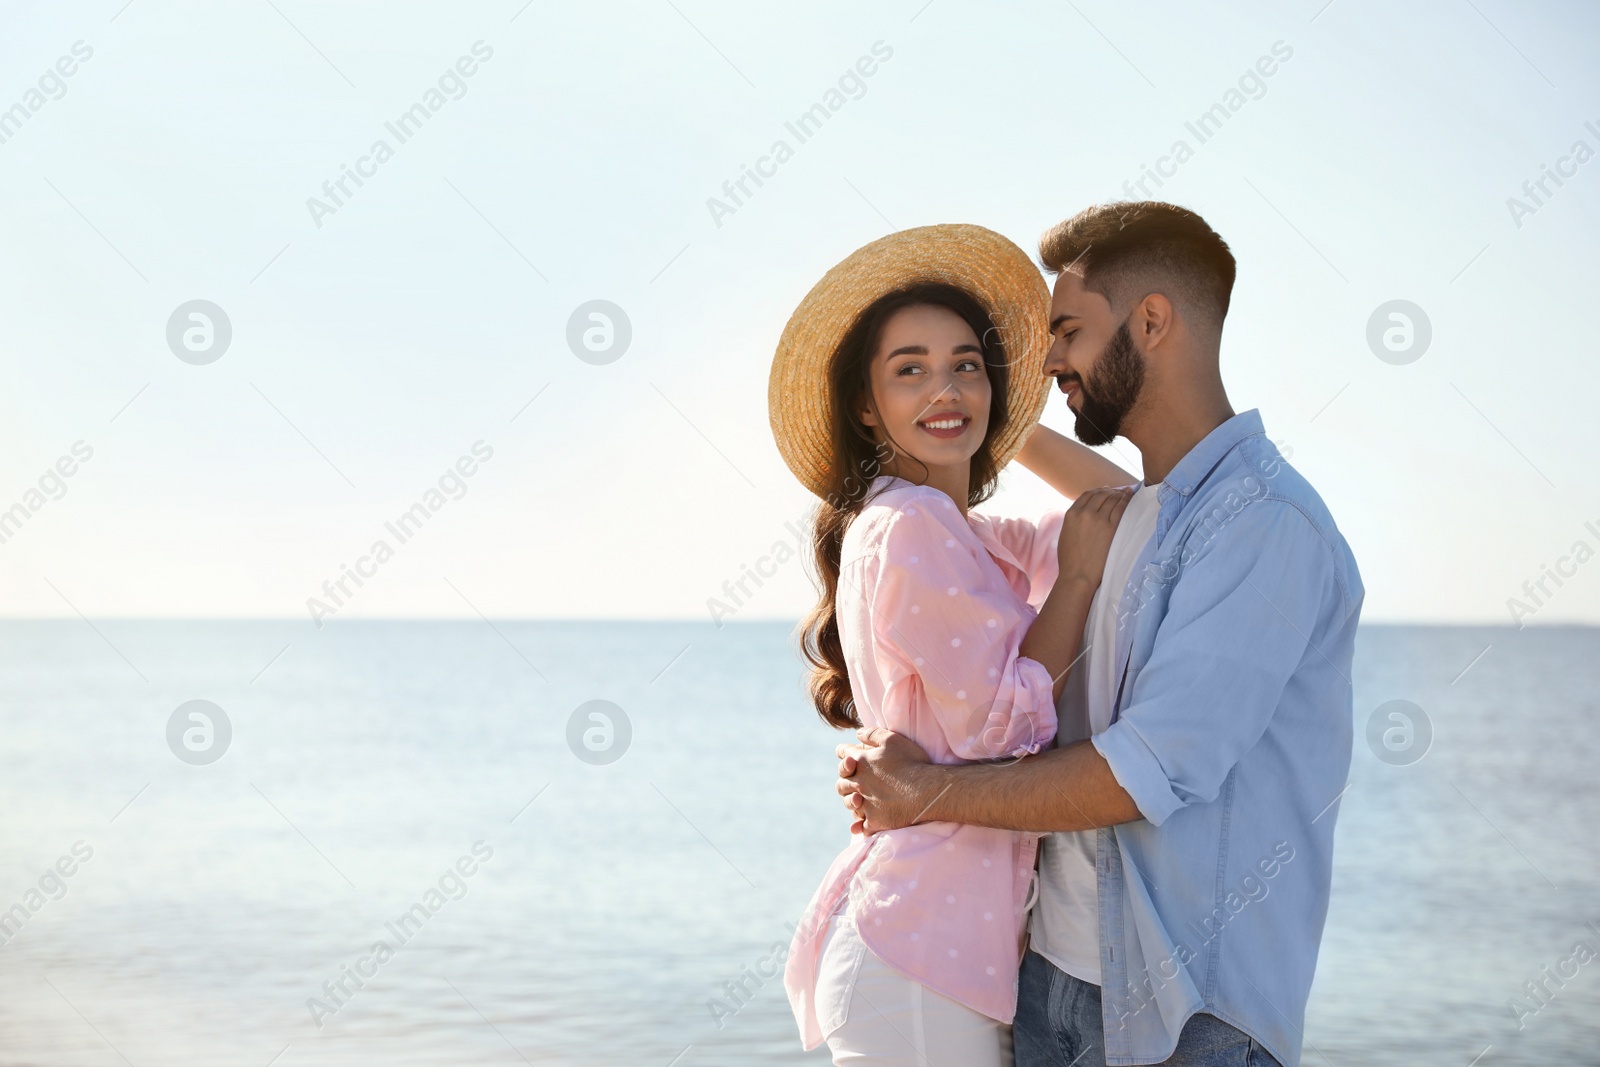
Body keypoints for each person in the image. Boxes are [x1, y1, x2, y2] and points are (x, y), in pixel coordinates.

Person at [835, 202, 1365, 1067]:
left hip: (1191, 1015)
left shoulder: (1264, 526)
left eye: (1069, 332)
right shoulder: (1149, 522)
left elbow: (1142, 769)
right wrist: (968, 403)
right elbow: (1118, 504)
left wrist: (924, 792)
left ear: (1151, 321)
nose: (1047, 361)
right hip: (1053, 983)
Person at [768, 224, 1136, 1065]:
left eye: (966, 363)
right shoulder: (910, 528)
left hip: (935, 957)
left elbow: (1126, 506)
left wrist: (1004, 421)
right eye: (911, 370)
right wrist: (1074, 584)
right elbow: (1002, 728)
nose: (946, 387)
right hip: (921, 960)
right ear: (867, 406)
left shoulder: (967, 534)